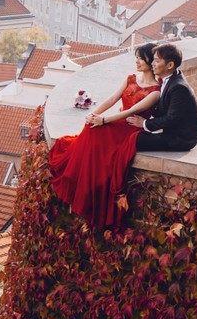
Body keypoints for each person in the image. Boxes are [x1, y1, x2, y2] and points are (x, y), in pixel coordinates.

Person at [49, 43, 161, 227]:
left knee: (98, 131)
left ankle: (86, 186)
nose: (137, 61)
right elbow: (111, 99)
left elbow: (130, 111)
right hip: (117, 120)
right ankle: (78, 178)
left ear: (150, 60)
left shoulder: (155, 91)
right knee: (91, 127)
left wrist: (104, 120)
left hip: (130, 128)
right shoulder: (131, 78)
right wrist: (95, 114)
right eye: (136, 57)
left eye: (141, 58)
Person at [127, 42, 197, 151]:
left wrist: (144, 123)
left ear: (170, 65)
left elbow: (171, 118)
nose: (152, 64)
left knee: (135, 139)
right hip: (174, 132)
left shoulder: (179, 88)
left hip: (182, 139)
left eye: (157, 61)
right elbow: (164, 110)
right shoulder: (170, 79)